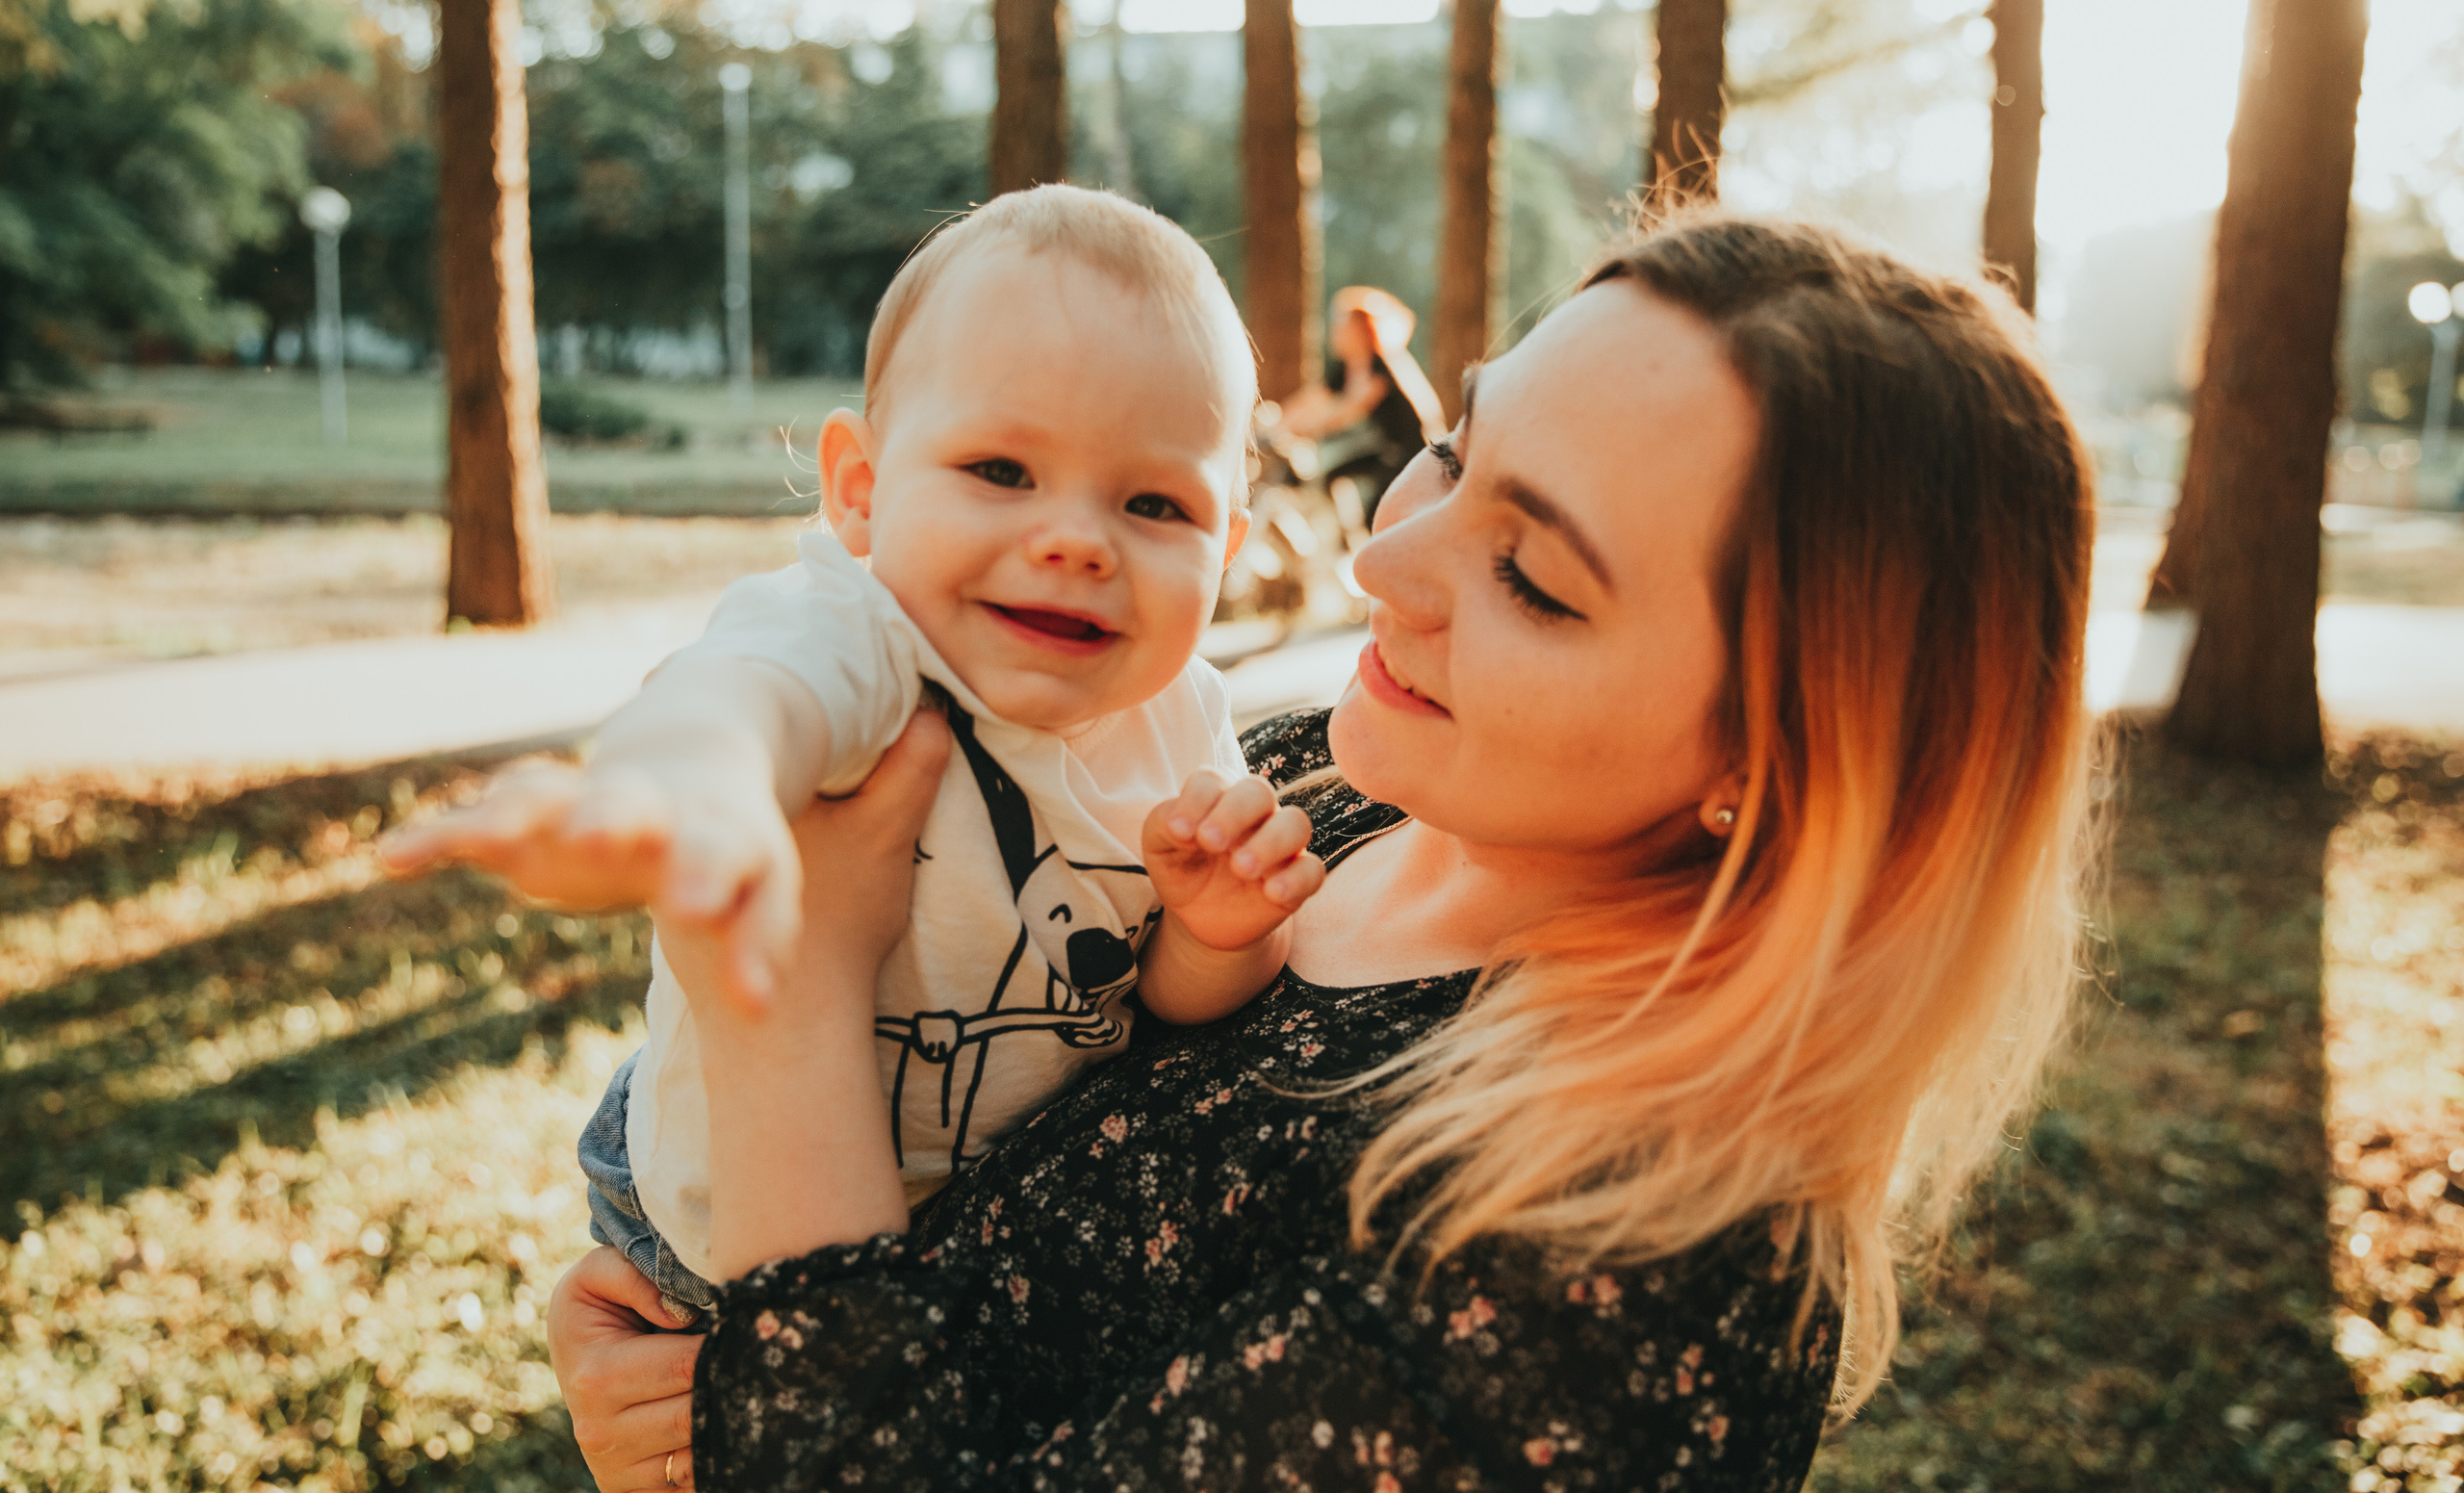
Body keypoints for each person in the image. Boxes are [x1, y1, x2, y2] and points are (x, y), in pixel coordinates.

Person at [550, 211, 2098, 1491]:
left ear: (1777, 762)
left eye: (1538, 580)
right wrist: (710, 1358)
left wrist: (781, 1022)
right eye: (1455, 453)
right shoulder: (1322, 785)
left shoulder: (1605, 1282)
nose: (1380, 562)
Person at [383, 186, 1328, 1317]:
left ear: (1225, 541)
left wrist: (1220, 932)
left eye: (1153, 503)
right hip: (723, 1219)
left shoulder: (1179, 720)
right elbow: (742, 702)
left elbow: (1164, 997)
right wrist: (688, 799)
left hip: (979, 1229)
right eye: (1001, 473)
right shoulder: (862, 636)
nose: (1076, 540)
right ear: (861, 492)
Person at [1268, 285, 1450, 521]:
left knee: (1378, 515)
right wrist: (1278, 418)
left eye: (1342, 324)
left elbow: (1350, 410)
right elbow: (1313, 398)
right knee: (1333, 477)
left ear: (1361, 330)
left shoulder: (1381, 367)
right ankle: (1348, 544)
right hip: (1387, 449)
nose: (1335, 331)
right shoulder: (1349, 366)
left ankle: (1364, 545)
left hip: (1417, 453)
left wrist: (1300, 429)